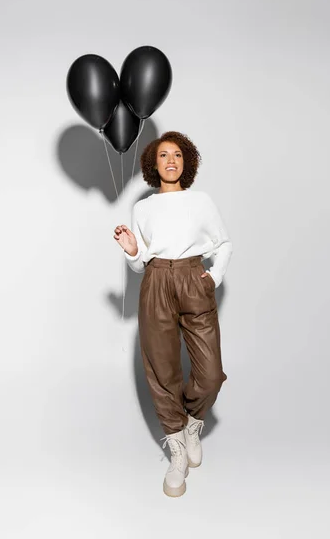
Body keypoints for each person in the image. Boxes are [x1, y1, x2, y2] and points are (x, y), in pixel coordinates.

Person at [113, 131, 233, 497]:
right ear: (153, 164)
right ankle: (176, 447)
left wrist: (211, 278)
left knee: (210, 374)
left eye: (177, 154)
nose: (170, 160)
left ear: (186, 162)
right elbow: (138, 266)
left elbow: (223, 243)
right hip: (156, 281)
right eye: (163, 154)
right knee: (162, 368)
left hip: (192, 277)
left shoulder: (200, 201)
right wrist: (133, 251)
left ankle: (193, 422)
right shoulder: (142, 208)